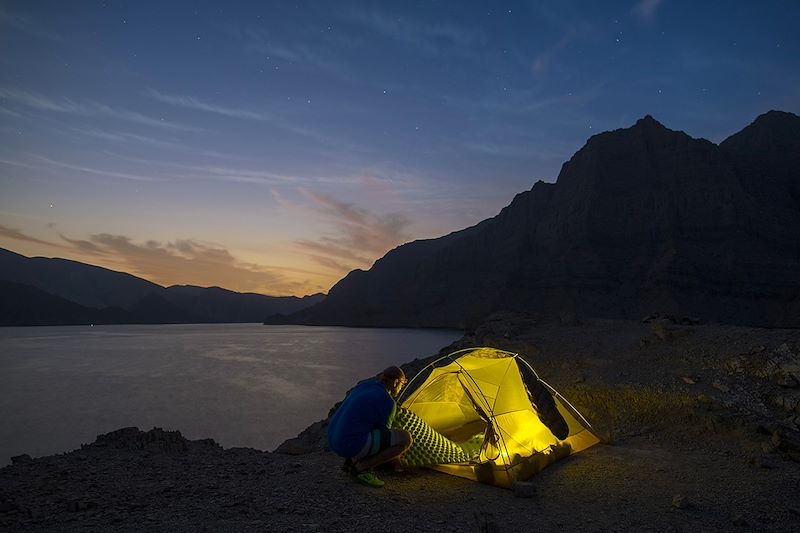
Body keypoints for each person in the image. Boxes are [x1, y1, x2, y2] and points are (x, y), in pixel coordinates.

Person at [326, 366, 412, 488]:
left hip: (332, 439)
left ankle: (351, 461)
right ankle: (361, 468)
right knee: (404, 438)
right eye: (401, 385)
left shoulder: (365, 385)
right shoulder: (387, 400)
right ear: (396, 382)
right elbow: (383, 432)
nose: (400, 389)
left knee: (362, 426)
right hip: (347, 445)